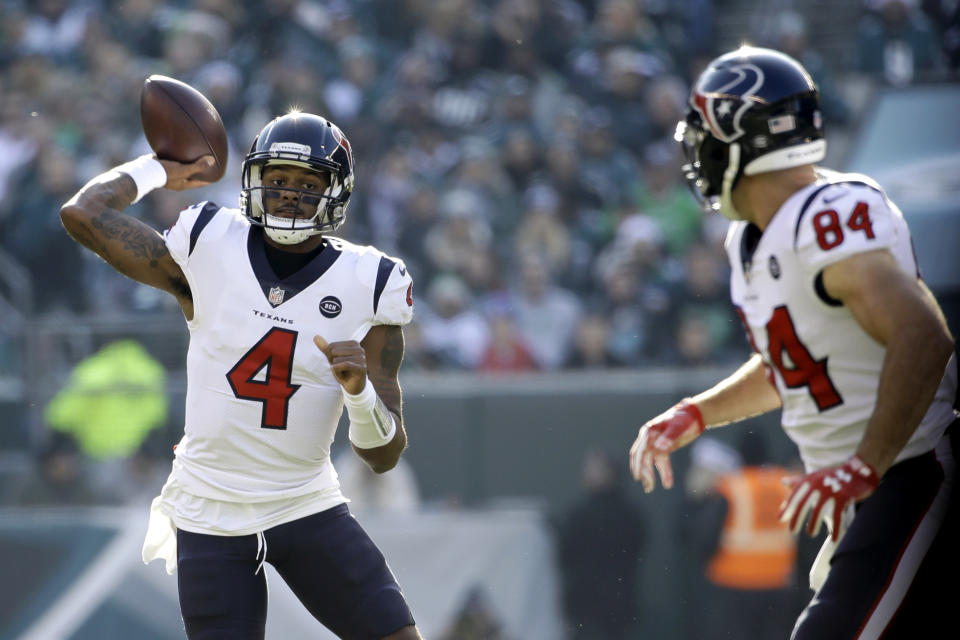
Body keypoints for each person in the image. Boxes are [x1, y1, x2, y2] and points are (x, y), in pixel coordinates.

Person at [628, 46, 958, 639]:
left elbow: (924, 335)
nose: (696, 151)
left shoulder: (829, 217)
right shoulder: (749, 239)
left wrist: (863, 465)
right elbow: (791, 363)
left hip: (909, 475)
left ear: (741, 138)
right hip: (866, 492)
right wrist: (697, 412)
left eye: (704, 133)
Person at [60, 111, 422, 640]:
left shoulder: (371, 280)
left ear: (335, 192)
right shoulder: (210, 242)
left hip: (305, 503)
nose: (289, 194)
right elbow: (83, 213)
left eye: (306, 183)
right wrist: (158, 168)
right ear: (254, 180)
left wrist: (359, 393)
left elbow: (382, 456)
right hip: (209, 511)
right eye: (277, 179)